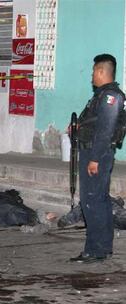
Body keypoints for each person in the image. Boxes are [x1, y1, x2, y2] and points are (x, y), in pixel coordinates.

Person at [70, 54, 126, 263]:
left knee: (92, 201)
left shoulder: (112, 96)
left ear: (102, 71)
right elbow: (96, 122)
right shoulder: (103, 95)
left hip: (97, 155)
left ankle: (95, 250)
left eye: (94, 71)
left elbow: (105, 130)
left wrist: (94, 159)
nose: (91, 76)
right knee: (97, 200)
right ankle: (101, 248)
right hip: (93, 152)